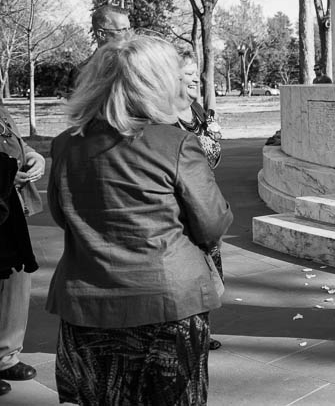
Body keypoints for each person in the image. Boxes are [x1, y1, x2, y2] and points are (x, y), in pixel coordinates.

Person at [47, 35, 233, 405]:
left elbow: (60, 213)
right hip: (167, 304)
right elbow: (212, 224)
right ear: (157, 82)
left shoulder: (67, 143)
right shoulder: (175, 143)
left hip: (88, 301)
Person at [178, 50, 223, 351]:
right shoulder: (163, 116)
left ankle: (201, 331)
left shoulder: (196, 110)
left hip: (205, 196)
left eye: (197, 71)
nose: (196, 77)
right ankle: (184, 333)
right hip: (183, 205)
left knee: (211, 273)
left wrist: (213, 141)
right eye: (188, 72)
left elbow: (211, 159)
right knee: (188, 272)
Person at [0, 106, 46, 397]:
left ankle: (6, 356)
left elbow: (14, 141)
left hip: (11, 209)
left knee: (16, 279)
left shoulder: (2, 110)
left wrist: (33, 156)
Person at [67, 5, 132, 96]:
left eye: (129, 29)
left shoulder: (136, 65)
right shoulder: (80, 72)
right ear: (101, 34)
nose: (129, 35)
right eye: (122, 30)